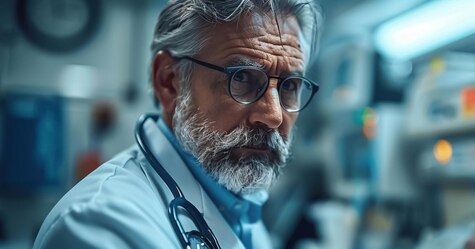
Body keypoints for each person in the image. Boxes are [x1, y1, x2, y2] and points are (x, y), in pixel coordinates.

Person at [34, 0, 321, 248]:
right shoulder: (98, 224)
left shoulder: (238, 202)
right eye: (242, 78)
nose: (274, 115)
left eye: (290, 85)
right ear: (170, 81)